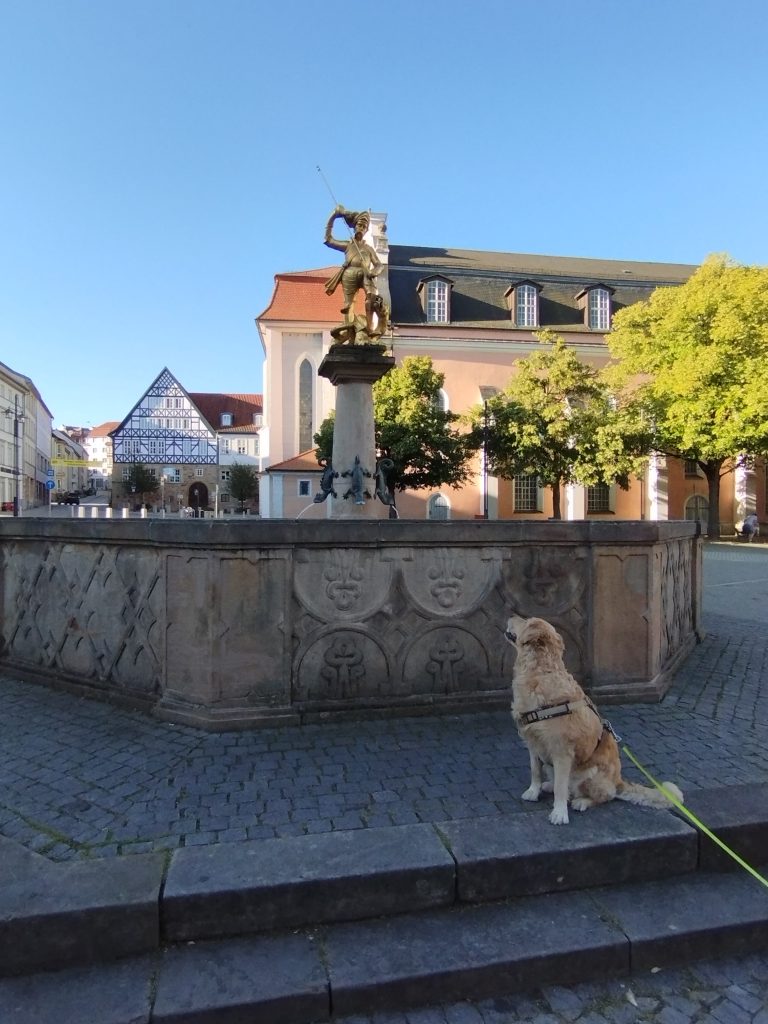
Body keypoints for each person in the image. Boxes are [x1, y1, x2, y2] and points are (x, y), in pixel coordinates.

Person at [324, 206, 389, 343]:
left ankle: (370, 329)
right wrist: (333, 216)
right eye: (359, 225)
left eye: (364, 226)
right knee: (349, 304)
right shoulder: (348, 245)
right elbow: (328, 240)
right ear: (354, 227)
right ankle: (350, 332)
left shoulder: (368, 248)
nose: (361, 228)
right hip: (350, 273)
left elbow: (379, 265)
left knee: (371, 296)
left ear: (366, 230)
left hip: (366, 274)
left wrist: (374, 272)